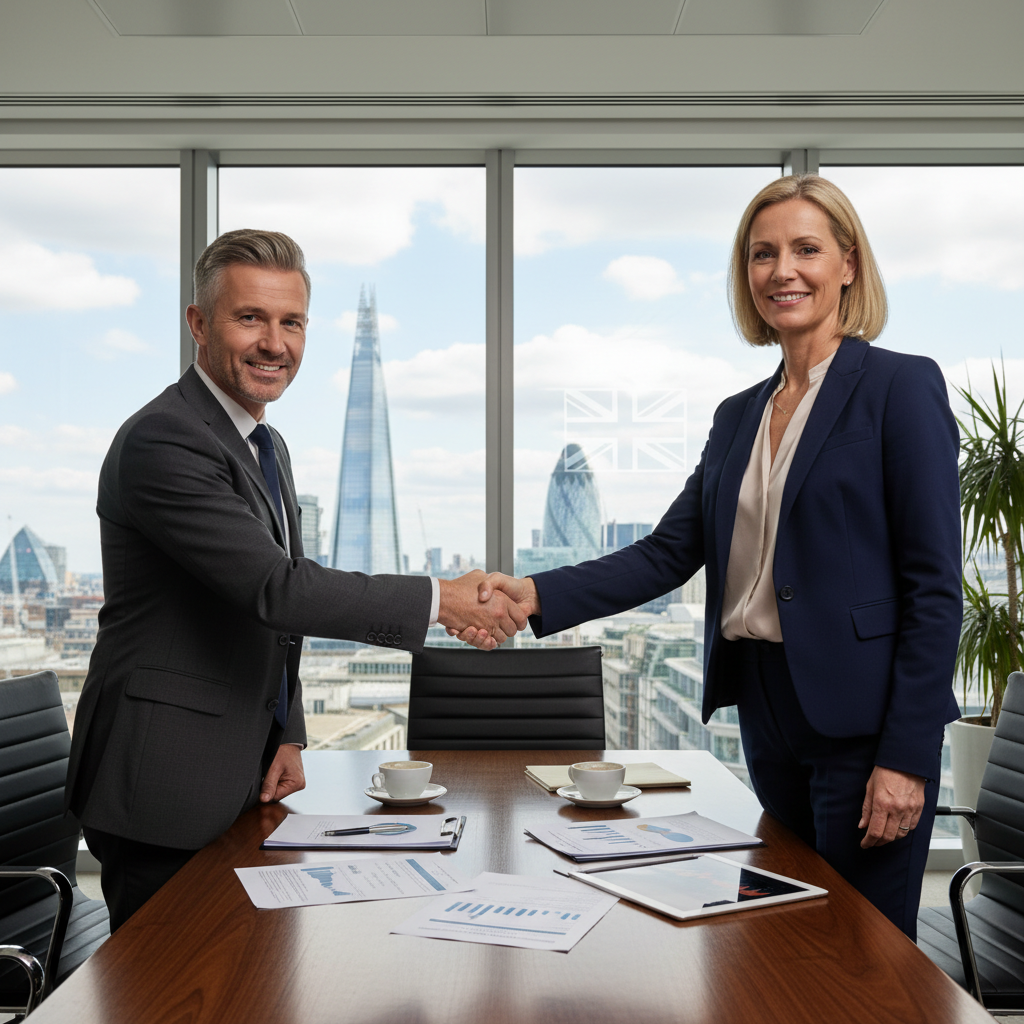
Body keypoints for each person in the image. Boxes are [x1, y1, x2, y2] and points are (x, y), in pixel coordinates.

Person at [456, 175, 963, 939]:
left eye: (805, 250)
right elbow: (669, 553)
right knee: (778, 940)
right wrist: (530, 593)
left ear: (849, 264)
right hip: (766, 710)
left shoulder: (898, 386)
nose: (781, 270)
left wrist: (908, 756)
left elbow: (933, 590)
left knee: (864, 955)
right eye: (763, 254)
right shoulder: (739, 415)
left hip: (861, 722)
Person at [66, 228, 525, 931]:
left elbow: (270, 618)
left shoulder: (263, 443)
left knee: (245, 983)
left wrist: (287, 729)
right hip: (161, 785)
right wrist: (443, 599)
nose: (274, 343)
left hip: (236, 775)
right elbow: (279, 588)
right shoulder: (167, 439)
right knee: (171, 997)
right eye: (249, 318)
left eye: (292, 322)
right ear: (198, 323)